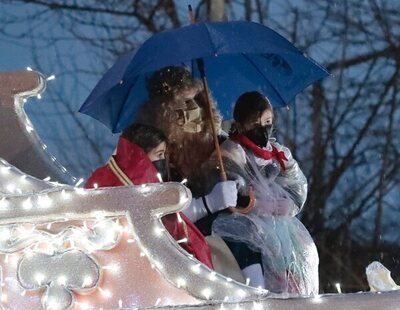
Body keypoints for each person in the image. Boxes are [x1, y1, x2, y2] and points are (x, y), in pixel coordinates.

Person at [209, 91, 319, 296]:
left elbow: (297, 184)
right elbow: (234, 189)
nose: (263, 129)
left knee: (303, 253)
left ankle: (296, 295)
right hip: (245, 222)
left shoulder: (278, 153)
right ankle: (269, 295)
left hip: (281, 222)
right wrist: (256, 204)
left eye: (267, 121)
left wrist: (291, 203)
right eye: (255, 124)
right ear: (241, 125)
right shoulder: (232, 151)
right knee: (266, 249)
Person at [84, 123, 214, 269]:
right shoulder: (148, 191)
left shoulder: (102, 176)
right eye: (159, 154)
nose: (163, 160)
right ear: (140, 153)